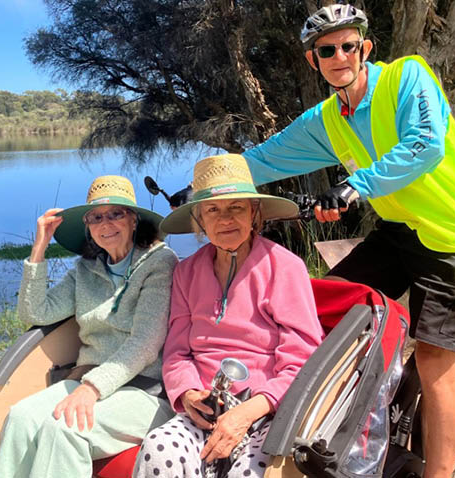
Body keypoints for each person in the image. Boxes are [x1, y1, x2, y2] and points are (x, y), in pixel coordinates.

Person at [241, 5, 455, 478]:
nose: (339, 55)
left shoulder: (406, 77)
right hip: (403, 232)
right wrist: (207, 187)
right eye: (327, 49)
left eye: (348, 45)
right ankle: (343, 426)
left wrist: (355, 185)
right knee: (320, 311)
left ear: (366, 48)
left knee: (434, 360)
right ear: (312, 60)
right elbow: (264, 159)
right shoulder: (328, 118)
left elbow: (425, 144)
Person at [133, 154, 323, 478]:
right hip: (205, 408)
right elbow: (177, 352)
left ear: (254, 213)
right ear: (199, 221)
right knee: (158, 449)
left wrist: (248, 413)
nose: (225, 219)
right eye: (213, 210)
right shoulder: (186, 273)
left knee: (247, 472)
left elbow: (304, 359)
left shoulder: (285, 267)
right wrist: (189, 394)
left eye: (236, 207)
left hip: (268, 409)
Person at [0, 175, 179, 478]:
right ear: (88, 227)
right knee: (21, 417)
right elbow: (35, 312)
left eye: (116, 214)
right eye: (96, 217)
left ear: (134, 220)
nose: (106, 224)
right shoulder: (86, 269)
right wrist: (39, 249)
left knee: (65, 429)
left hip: (146, 390)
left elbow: (146, 342)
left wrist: (92, 388)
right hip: (89, 382)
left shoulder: (160, 263)